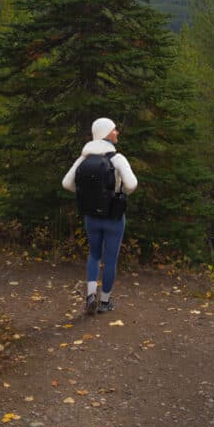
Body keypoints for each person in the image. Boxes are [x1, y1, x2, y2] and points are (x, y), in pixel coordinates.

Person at [62, 117, 138, 315]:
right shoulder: (118, 158)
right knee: (110, 259)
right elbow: (131, 185)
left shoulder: (84, 158)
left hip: (91, 217)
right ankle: (105, 302)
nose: (117, 133)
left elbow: (67, 184)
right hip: (113, 217)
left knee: (94, 255)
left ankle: (90, 296)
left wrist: (87, 194)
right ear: (106, 133)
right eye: (114, 130)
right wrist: (119, 193)